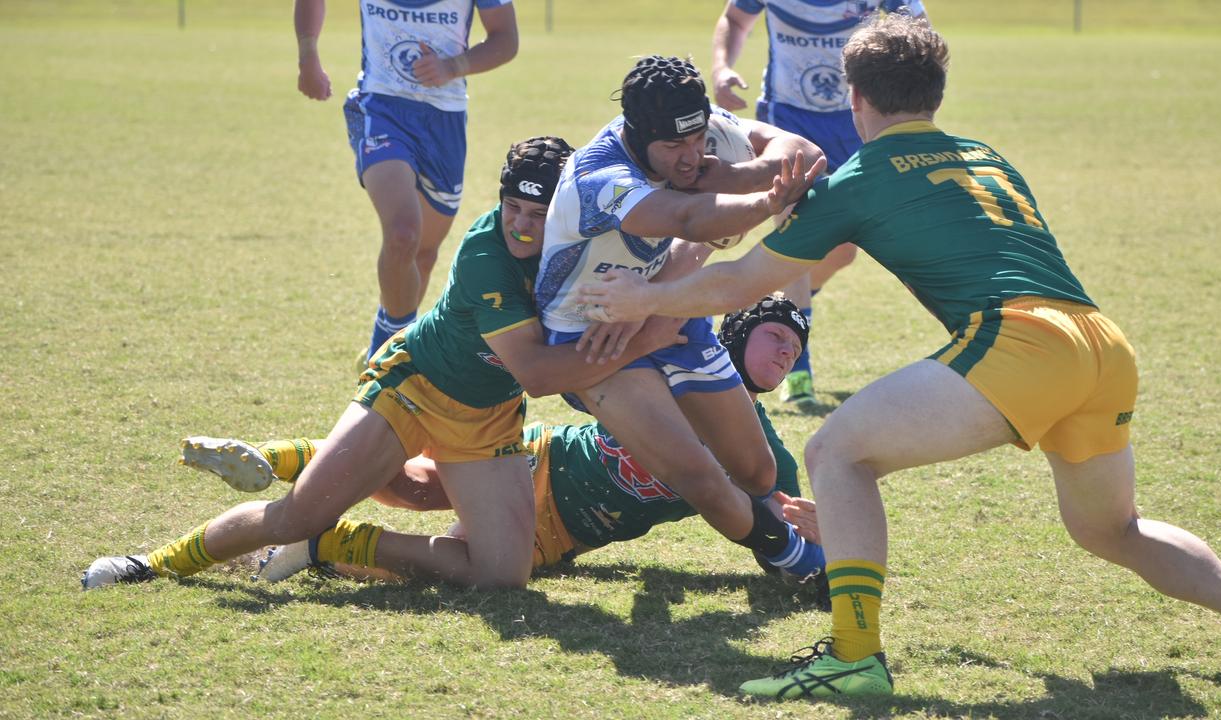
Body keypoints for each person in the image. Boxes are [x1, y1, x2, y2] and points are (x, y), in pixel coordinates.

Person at [576, 14, 1221, 697]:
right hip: (1100, 342)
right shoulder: (985, 155)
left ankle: (854, 657)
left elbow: (738, 283)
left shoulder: (859, 178)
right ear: (934, 94)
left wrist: (640, 300)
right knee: (1111, 528)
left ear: (854, 97)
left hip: (1025, 344)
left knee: (836, 454)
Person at [82, 138, 822, 591]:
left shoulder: (587, 237)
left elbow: (680, 220)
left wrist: (758, 196)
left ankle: (333, 545)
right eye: (514, 210)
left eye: (540, 215)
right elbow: (536, 371)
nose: (526, 228)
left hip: (491, 418)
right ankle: (155, 563)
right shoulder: (485, 255)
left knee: (501, 574)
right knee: (310, 504)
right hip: (420, 390)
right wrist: (644, 336)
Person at [179, 297, 826, 587]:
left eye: (794, 350)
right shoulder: (663, 376)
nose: (785, 353)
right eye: (775, 337)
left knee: (466, 564)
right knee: (409, 486)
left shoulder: (765, 457)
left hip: (566, 530)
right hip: (542, 455)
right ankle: (282, 464)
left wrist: (818, 545)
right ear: (736, 336)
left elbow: (776, 533)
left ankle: (324, 543)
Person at [534, 56, 828, 585]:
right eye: (674, 149)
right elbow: (687, 217)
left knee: (756, 470)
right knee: (698, 474)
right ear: (636, 135)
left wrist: (736, 173)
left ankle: (780, 546)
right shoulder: (600, 176)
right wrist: (769, 198)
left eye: (698, 141)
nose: (693, 157)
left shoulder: (691, 125)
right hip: (591, 339)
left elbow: (804, 151)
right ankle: (797, 562)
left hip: (662, 308)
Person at [712, 0, 928, 407]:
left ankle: (784, 302)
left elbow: (919, 29)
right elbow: (735, 19)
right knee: (796, 241)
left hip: (858, 118)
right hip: (787, 119)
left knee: (844, 250)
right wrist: (722, 67)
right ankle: (798, 375)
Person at [293, 0, 520, 363]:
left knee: (424, 254)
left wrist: (453, 66)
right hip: (381, 108)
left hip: (444, 121)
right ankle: (386, 357)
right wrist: (308, 54)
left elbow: (506, 38)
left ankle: (392, 337)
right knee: (403, 234)